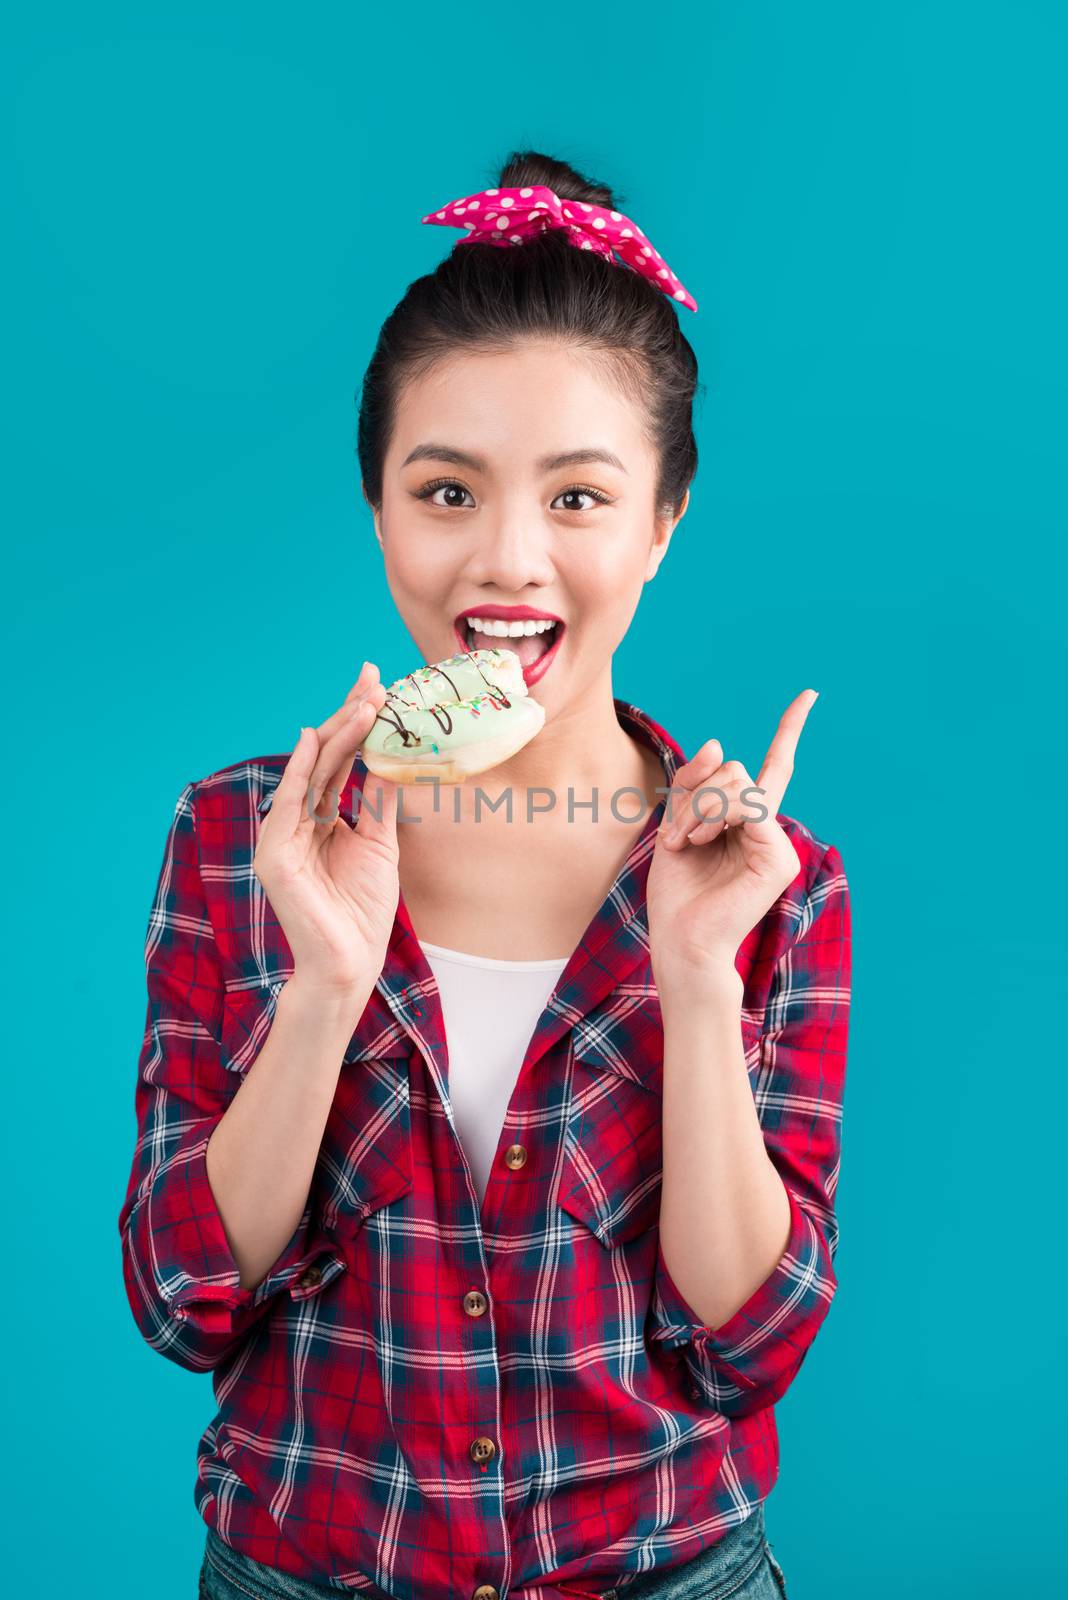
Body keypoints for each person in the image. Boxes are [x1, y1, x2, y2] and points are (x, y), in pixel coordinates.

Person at [118, 149, 850, 1600]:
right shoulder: (236, 838)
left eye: (579, 499)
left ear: (664, 521)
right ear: (380, 508)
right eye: (446, 490)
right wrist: (326, 981)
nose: (507, 562)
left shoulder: (773, 883)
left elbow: (750, 1343)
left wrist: (696, 980)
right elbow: (185, 1301)